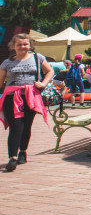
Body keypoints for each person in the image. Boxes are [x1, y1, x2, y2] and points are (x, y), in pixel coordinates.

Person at [0, 33, 53, 171]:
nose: (22, 47)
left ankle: (23, 151)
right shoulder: (7, 62)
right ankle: (12, 158)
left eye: (25, 44)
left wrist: (43, 83)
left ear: (30, 45)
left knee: (26, 125)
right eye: (19, 44)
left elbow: (50, 71)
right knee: (15, 126)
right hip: (12, 97)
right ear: (13, 46)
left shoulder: (37, 58)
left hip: (31, 96)